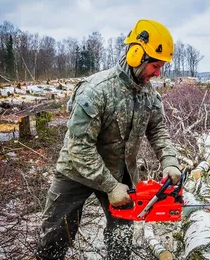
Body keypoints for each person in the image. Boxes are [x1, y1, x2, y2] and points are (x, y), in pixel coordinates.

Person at [35, 19, 181, 260]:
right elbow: (78, 147)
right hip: (75, 172)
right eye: (155, 66)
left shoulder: (149, 95)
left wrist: (170, 160)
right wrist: (110, 186)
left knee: (121, 238)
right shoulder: (95, 90)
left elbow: (157, 130)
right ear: (136, 55)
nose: (158, 73)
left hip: (119, 172)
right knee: (55, 235)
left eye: (161, 67)